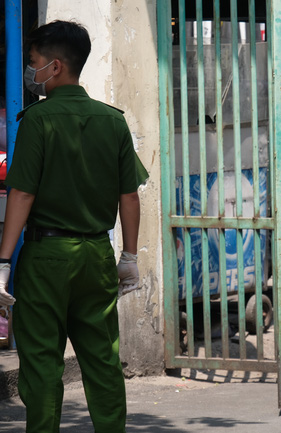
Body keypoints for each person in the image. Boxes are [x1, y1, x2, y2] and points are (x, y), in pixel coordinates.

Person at [0, 20, 148, 432]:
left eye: (34, 63)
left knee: (43, 363)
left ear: (57, 66)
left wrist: (3, 260)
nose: (31, 72)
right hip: (97, 257)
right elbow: (129, 196)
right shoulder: (112, 121)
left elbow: (22, 195)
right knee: (102, 361)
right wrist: (130, 256)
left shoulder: (37, 121)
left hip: (47, 259)